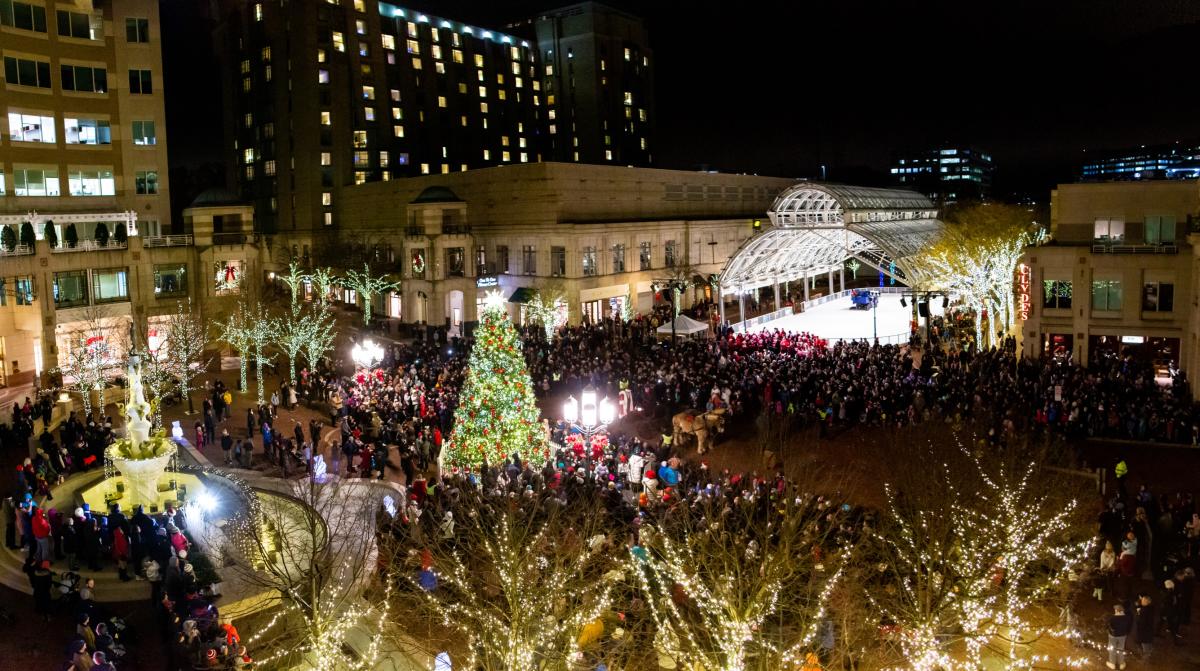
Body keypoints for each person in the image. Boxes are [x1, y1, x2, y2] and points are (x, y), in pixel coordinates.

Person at [1107, 603, 1131, 669]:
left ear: (1117, 610)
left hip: (1113, 636)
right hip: (1122, 636)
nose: (1114, 610)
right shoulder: (1126, 618)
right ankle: (1121, 663)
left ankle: (1112, 663)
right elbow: (1129, 627)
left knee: (1112, 649)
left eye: (1115, 609)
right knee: (1121, 649)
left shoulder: (1113, 618)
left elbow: (1109, 626)